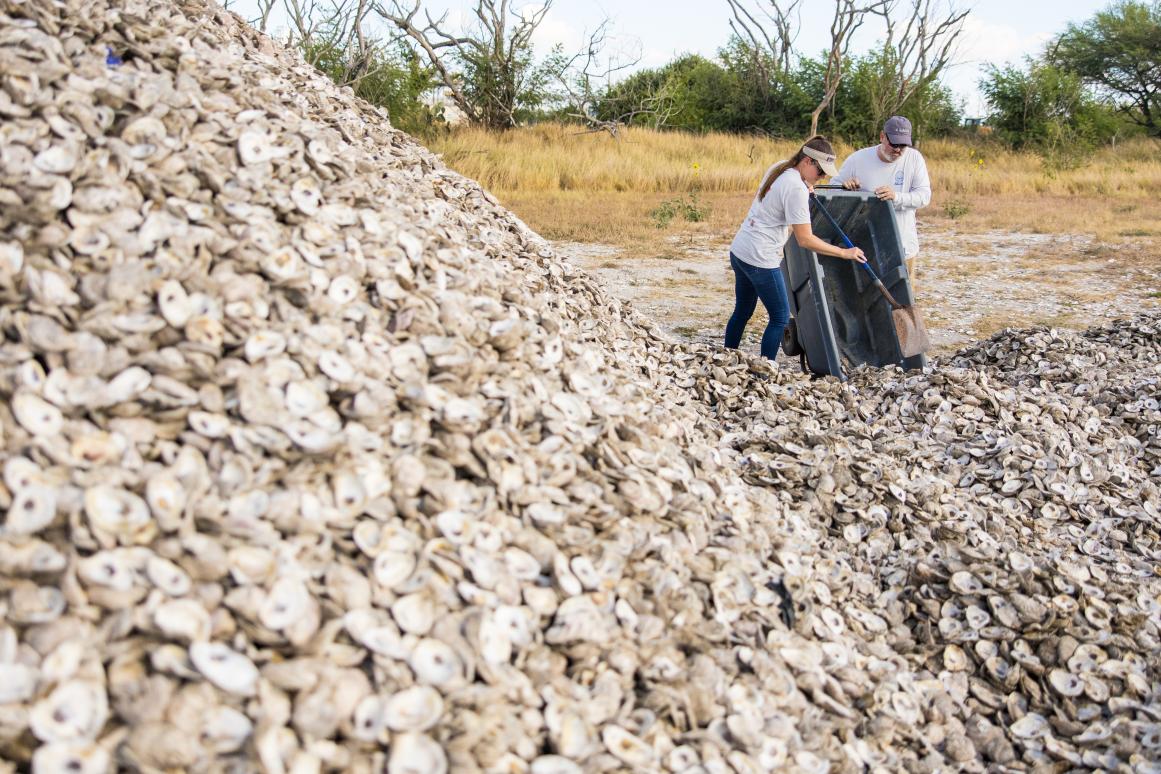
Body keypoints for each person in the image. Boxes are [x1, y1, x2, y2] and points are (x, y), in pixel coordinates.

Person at [725, 135, 866, 362]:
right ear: (808, 161)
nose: (821, 178)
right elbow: (805, 239)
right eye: (820, 172)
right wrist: (844, 253)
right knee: (780, 316)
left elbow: (787, 194)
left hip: (741, 250)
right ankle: (765, 370)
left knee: (742, 310)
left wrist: (808, 186)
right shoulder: (795, 188)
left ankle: (725, 356)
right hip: (761, 259)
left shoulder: (781, 168)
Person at [831, 115, 931, 285]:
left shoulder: (914, 159)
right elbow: (833, 190)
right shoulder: (858, 159)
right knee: (868, 300)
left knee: (903, 301)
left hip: (903, 245)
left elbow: (924, 196)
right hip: (865, 247)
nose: (898, 150)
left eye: (903, 145)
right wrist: (845, 188)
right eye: (894, 144)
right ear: (882, 136)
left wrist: (896, 197)